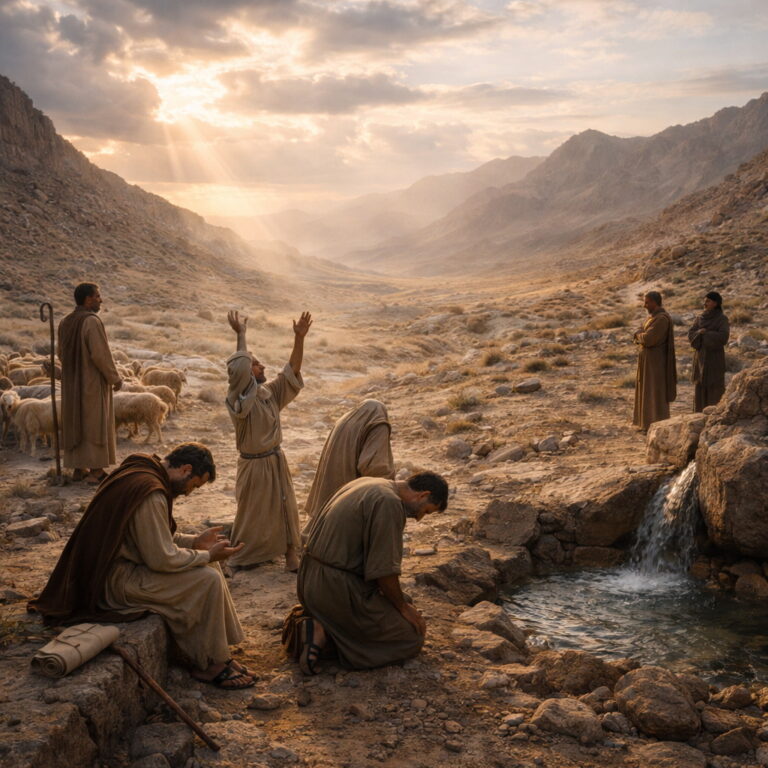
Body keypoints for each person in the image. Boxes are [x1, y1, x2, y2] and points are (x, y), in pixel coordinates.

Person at [28, 443, 253, 689]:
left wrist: (195, 543)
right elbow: (161, 559)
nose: (189, 492)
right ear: (186, 470)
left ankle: (219, 654)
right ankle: (209, 665)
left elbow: (152, 537)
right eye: (194, 485)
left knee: (211, 567)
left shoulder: (144, 470)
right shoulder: (151, 492)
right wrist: (206, 554)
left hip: (117, 569)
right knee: (207, 579)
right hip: (113, 581)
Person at [296, 472, 449, 673]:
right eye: (426, 511)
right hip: (335, 587)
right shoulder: (389, 503)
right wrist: (403, 608)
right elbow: (383, 572)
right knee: (410, 636)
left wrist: (402, 602)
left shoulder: (369, 482)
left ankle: (320, 622)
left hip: (308, 581)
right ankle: (324, 634)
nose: (419, 518)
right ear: (423, 495)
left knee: (403, 601)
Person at [225, 309, 312, 572]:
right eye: (256, 364)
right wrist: (241, 336)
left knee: (286, 507)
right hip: (252, 465)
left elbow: (292, 371)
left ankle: (290, 554)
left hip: (275, 459)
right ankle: (243, 554)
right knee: (252, 512)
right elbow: (239, 366)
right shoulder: (239, 399)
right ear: (245, 372)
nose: (262, 366)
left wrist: (299, 338)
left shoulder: (269, 393)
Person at [58, 282, 122, 484]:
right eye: (97, 296)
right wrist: (115, 378)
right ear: (88, 299)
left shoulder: (65, 322)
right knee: (94, 424)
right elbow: (100, 355)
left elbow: (61, 353)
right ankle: (96, 470)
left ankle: (78, 468)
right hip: (91, 382)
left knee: (75, 421)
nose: (100, 300)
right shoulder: (92, 321)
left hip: (71, 383)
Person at [304, 399, 395, 519]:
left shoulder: (344, 421)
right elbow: (374, 468)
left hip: (325, 501)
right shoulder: (377, 423)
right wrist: (393, 489)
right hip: (348, 505)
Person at [632, 290, 677, 432]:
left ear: (654, 302)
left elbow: (648, 338)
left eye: (647, 302)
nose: (644, 305)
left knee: (655, 392)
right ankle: (646, 424)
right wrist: (640, 334)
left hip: (656, 363)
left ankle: (658, 425)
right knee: (646, 391)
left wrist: (639, 336)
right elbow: (640, 331)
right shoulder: (651, 318)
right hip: (648, 362)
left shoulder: (662, 319)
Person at [687, 291, 730, 411]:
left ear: (715, 303)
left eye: (708, 301)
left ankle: (714, 415)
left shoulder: (722, 319)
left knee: (714, 387)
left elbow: (724, 337)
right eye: (704, 301)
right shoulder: (699, 318)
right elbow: (691, 334)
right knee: (699, 385)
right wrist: (699, 333)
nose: (704, 303)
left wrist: (706, 334)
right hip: (700, 357)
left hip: (714, 359)